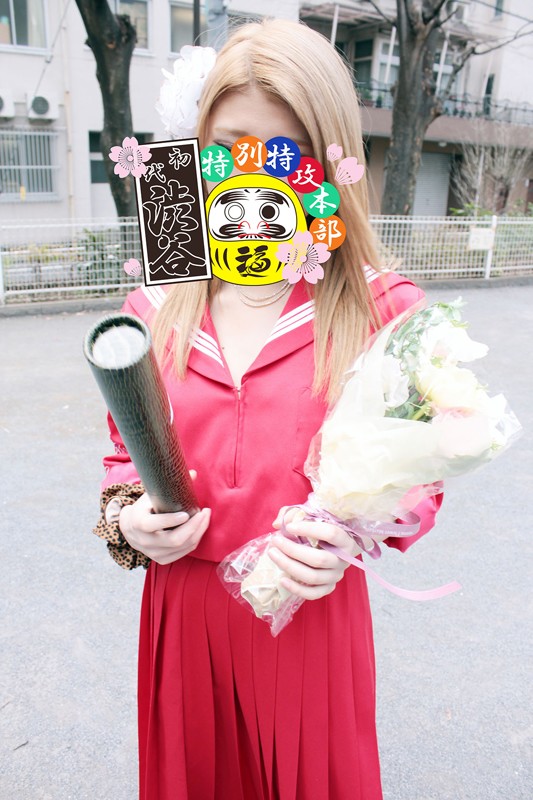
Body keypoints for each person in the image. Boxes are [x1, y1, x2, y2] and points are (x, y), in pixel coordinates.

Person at [96, 18, 442, 800]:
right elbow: (123, 455)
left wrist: (352, 533)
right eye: (230, 146)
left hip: (309, 614)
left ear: (326, 160)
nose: (255, 174)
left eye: (285, 152)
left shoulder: (384, 310)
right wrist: (128, 520)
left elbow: (420, 474)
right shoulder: (156, 302)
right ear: (196, 151)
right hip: (182, 614)